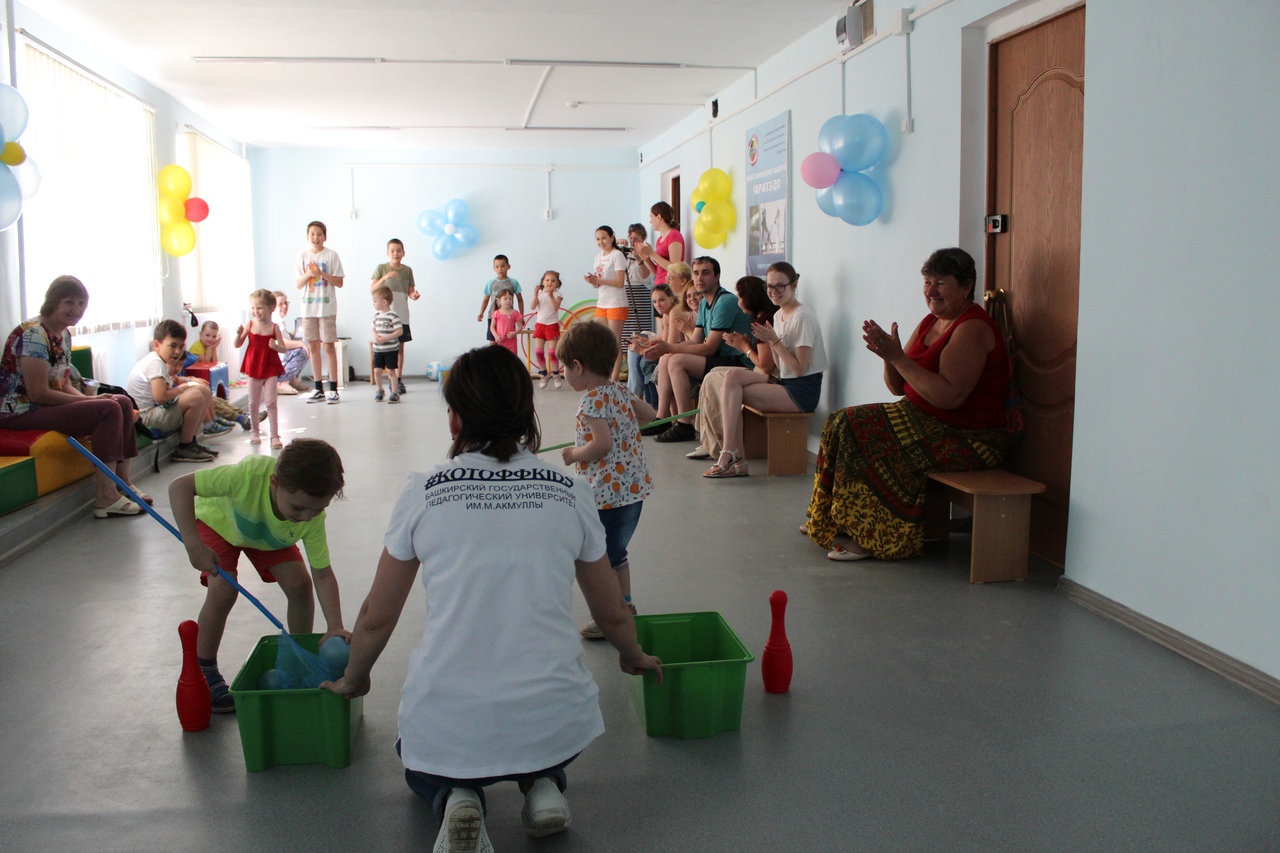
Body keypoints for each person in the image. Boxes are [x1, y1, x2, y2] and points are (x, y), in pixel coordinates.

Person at [321, 346, 662, 850]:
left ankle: (457, 795)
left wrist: (355, 677)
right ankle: (544, 784)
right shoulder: (571, 490)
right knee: (543, 736)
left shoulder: (423, 490)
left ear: (455, 418)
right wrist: (633, 655)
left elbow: (375, 617)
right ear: (527, 414)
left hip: (449, 718)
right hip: (553, 717)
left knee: (419, 759)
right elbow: (611, 611)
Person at [804, 248, 1017, 561]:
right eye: (927, 282)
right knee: (841, 420)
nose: (931, 291)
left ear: (966, 286)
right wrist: (888, 357)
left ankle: (875, 536)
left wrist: (898, 358)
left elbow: (949, 397)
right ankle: (837, 518)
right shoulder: (931, 321)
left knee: (866, 434)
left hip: (970, 436)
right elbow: (897, 387)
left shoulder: (972, 327)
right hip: (928, 420)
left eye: (940, 283)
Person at [170, 438, 349, 713]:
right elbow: (179, 487)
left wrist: (334, 625)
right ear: (275, 483)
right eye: (299, 507)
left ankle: (297, 660)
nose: (307, 517)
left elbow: (322, 574)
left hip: (269, 535)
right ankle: (206, 669)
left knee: (300, 585)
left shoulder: (310, 517)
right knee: (223, 590)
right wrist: (193, 545)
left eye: (318, 509)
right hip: (220, 525)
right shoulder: (247, 475)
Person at [0, 275, 147, 517]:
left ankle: (123, 483)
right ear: (53, 302)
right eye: (69, 302)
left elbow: (63, 383)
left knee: (120, 402)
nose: (76, 310)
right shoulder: (34, 334)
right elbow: (38, 394)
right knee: (108, 408)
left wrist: (94, 400)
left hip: (43, 406)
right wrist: (92, 401)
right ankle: (105, 497)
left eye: (81, 304)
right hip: (20, 412)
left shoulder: (64, 335)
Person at [557, 321, 656, 639]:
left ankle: (611, 617)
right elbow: (650, 414)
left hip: (608, 494)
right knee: (616, 552)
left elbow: (602, 445)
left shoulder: (591, 401)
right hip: (633, 488)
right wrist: (627, 419)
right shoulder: (618, 390)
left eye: (564, 367)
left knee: (602, 556)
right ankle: (625, 605)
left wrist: (574, 454)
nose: (563, 373)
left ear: (578, 366)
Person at [697, 263, 828, 478]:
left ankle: (731, 456)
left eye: (780, 286)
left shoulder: (802, 317)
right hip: (784, 383)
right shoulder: (778, 316)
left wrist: (773, 341)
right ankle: (732, 455)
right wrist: (766, 343)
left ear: (794, 285)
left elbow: (799, 369)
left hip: (802, 391)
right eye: (770, 286)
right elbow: (778, 363)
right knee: (731, 377)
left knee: (731, 393)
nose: (774, 292)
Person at [641, 256, 752, 443]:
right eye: (696, 273)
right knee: (669, 357)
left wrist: (669, 347)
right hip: (722, 357)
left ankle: (684, 424)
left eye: (706, 273)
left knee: (676, 360)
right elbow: (695, 340)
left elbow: (709, 348)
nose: (699, 278)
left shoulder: (724, 301)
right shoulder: (704, 305)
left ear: (717, 276)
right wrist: (666, 349)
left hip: (740, 361)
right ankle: (663, 417)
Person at [126, 320, 222, 463]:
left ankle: (192, 441)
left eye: (181, 346)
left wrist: (189, 383)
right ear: (157, 345)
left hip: (155, 412)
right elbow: (161, 397)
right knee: (196, 396)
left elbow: (172, 383)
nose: (177, 351)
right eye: (172, 346)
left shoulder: (158, 361)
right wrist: (183, 389)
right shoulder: (155, 363)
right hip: (146, 419)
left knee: (203, 390)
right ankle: (184, 447)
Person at [295, 220, 346, 404]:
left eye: (319, 234)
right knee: (313, 347)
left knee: (329, 347)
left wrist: (321, 273)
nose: (315, 237)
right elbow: (298, 284)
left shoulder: (331, 255)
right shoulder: (302, 256)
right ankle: (318, 388)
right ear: (307, 236)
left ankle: (333, 389)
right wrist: (309, 274)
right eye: (312, 234)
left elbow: (339, 282)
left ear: (325, 237)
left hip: (327, 308)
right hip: (308, 309)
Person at [235, 289, 287, 448]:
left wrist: (276, 346)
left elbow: (283, 348)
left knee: (271, 401)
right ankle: (254, 432)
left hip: (270, 366)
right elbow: (237, 344)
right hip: (254, 366)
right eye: (253, 308)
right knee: (253, 402)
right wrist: (238, 334)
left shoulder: (274, 328)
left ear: (271, 308)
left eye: (259, 308)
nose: (255, 311)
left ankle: (274, 435)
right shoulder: (250, 325)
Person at [371, 238, 418, 395]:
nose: (395, 253)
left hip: (401, 314)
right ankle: (384, 384)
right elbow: (372, 289)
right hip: (384, 316)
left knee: (399, 348)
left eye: (399, 250)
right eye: (392, 250)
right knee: (383, 349)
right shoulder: (381, 268)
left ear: (403, 253)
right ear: (387, 253)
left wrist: (414, 295)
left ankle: (397, 380)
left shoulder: (407, 270)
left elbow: (410, 291)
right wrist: (385, 277)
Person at [584, 225, 628, 381]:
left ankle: (614, 379)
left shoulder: (617, 255)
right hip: (602, 302)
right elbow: (598, 283)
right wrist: (593, 282)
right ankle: (605, 375)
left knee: (614, 341)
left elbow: (620, 282)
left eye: (604, 238)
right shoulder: (598, 256)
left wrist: (598, 280)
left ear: (611, 238)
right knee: (601, 340)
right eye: (598, 239)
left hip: (616, 302)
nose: (601, 242)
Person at [621, 224, 656, 404]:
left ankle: (637, 391)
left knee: (639, 337)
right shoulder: (623, 254)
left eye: (636, 238)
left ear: (643, 239)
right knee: (626, 341)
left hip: (641, 297)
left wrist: (640, 259)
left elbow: (646, 277)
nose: (633, 241)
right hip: (626, 297)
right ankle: (631, 379)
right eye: (631, 238)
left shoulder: (646, 254)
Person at [636, 201, 685, 288]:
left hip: (670, 287)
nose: (650, 221)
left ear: (659, 217)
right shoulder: (659, 240)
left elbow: (675, 268)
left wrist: (652, 254)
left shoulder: (674, 235)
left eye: (651, 217)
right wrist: (647, 259)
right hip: (659, 286)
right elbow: (658, 272)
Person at [476, 254, 523, 343]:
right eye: (497, 267)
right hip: (493, 315)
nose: (500, 269)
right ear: (494, 268)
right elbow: (485, 300)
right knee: (493, 342)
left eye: (502, 266)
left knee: (507, 341)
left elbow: (520, 299)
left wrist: (521, 315)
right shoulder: (490, 283)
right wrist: (481, 312)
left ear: (508, 266)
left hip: (508, 317)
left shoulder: (513, 282)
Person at [530, 270, 564, 389]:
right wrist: (535, 294)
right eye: (547, 280)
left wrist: (550, 296)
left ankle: (556, 375)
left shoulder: (558, 294)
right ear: (543, 282)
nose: (550, 283)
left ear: (557, 283)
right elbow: (532, 306)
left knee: (552, 353)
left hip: (552, 325)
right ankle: (543, 374)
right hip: (540, 325)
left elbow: (555, 307)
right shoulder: (540, 293)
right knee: (538, 352)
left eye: (553, 281)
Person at [271, 290, 310, 395]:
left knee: (306, 344)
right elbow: (281, 343)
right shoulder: (274, 321)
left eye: (286, 303)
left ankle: (292, 379)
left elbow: (283, 337)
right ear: (273, 306)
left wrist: (292, 334)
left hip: (281, 355)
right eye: (280, 304)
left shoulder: (279, 320)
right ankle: (281, 383)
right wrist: (301, 344)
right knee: (302, 351)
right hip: (277, 357)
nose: (284, 306)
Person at [371, 285, 404, 404]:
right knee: (377, 371)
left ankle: (394, 393)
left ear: (384, 302)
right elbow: (373, 329)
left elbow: (399, 331)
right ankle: (380, 390)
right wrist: (376, 336)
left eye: (375, 301)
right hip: (378, 349)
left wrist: (386, 338)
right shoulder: (376, 316)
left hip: (390, 350)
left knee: (391, 371)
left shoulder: (393, 316)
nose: (373, 304)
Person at [489, 290, 522, 356]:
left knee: (512, 358)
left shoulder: (515, 313)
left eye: (510, 299)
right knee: (501, 359)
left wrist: (514, 333)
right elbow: (492, 327)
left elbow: (520, 326)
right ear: (499, 300)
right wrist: (496, 335)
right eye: (505, 299)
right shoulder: (496, 313)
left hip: (512, 342)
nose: (508, 301)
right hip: (500, 341)